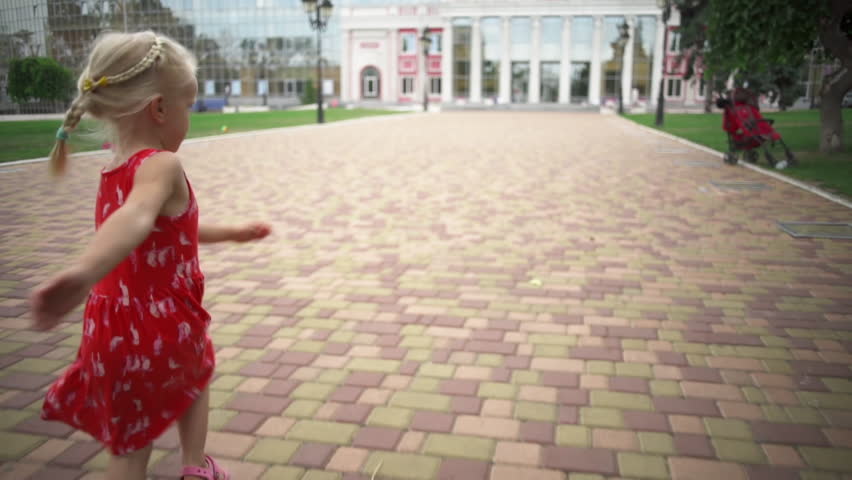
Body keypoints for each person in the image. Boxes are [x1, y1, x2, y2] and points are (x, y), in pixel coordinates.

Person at [30, 31, 271, 480]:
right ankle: (195, 466)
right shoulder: (161, 164)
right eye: (188, 106)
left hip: (109, 329)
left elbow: (166, 230)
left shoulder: (112, 168)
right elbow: (139, 215)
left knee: (128, 444)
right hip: (164, 321)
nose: (190, 117)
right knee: (196, 372)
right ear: (159, 109)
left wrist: (231, 233)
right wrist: (83, 272)